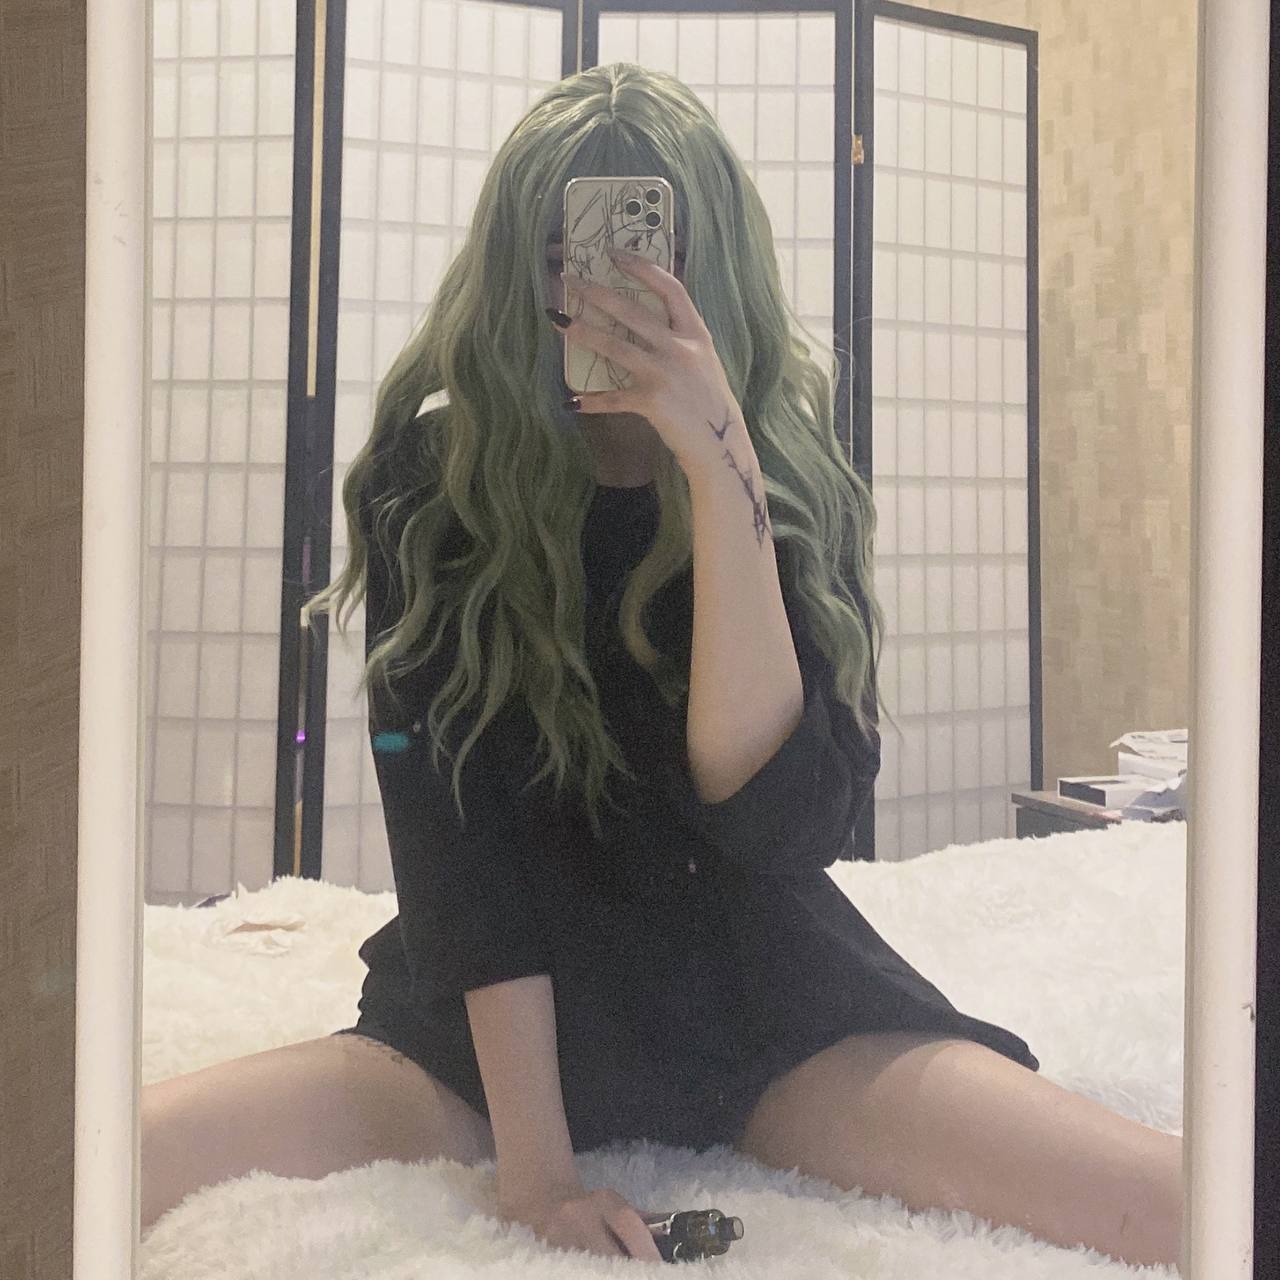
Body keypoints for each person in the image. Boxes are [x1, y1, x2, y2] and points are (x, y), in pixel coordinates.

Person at [140, 62, 1183, 1270]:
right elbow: (459, 845)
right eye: (566, 258)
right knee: (95, 1151)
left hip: (759, 992)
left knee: (1167, 1200)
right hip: (483, 1025)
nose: (601, 295)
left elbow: (783, 826)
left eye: (648, 260)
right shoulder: (430, 486)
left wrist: (719, 468)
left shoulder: (785, 481)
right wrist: (536, 1168)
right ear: (516, 272)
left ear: (712, 272)